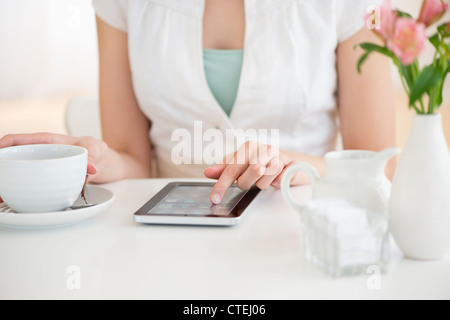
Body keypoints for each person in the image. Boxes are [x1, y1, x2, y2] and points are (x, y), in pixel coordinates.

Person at [0, 0, 396, 205]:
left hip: (299, 231)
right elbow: (133, 161)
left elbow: (380, 168)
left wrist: (290, 164)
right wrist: (98, 157)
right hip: (168, 234)